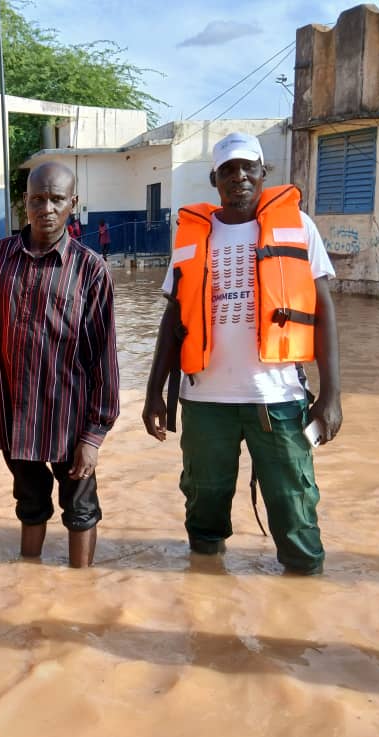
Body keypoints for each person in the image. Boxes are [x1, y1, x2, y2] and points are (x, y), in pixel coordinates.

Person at [141, 132, 342, 575]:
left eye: (248, 167)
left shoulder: (299, 227)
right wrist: (154, 392)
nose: (239, 177)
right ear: (214, 178)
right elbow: (173, 321)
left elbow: (323, 312)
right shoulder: (193, 236)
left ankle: (303, 611)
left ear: (263, 173)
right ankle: (206, 597)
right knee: (203, 516)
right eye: (228, 170)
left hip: (280, 398)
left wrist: (331, 396)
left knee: (296, 512)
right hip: (204, 402)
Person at [0, 162, 120, 568]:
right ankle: (29, 579)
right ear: (25, 202)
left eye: (57, 199)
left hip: (70, 421)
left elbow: (103, 358)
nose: (47, 208)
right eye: (38, 199)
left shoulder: (91, 269)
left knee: (80, 509)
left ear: (72, 203)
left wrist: (93, 436)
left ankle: (80, 589)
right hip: (15, 418)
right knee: (29, 502)